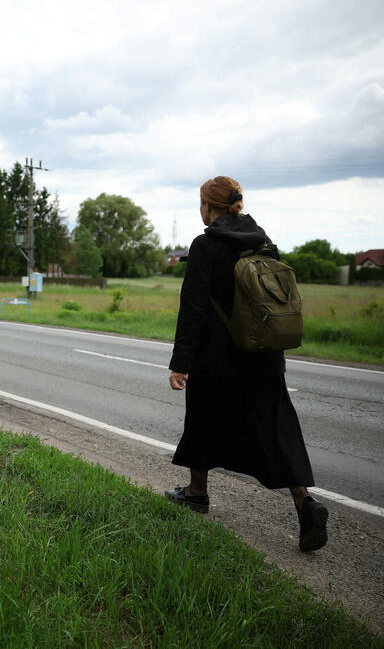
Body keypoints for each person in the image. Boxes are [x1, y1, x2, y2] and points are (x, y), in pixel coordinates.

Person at [166, 176, 328, 552]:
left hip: (217, 359)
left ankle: (196, 492)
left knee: (204, 421)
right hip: (266, 357)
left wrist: (180, 363)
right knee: (276, 431)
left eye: (201, 204)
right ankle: (305, 502)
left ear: (208, 206)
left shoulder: (206, 246)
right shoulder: (263, 242)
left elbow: (192, 309)